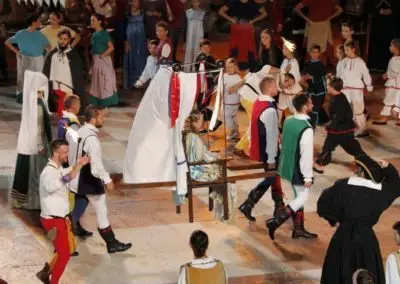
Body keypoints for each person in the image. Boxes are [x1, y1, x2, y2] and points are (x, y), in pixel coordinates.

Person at [317, 155, 400, 284]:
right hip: (366, 240)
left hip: (343, 237)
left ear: (361, 171)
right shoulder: (380, 192)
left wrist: (335, 220)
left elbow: (322, 205)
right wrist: (388, 167)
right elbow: (396, 186)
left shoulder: (342, 185)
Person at [69, 106, 132, 253]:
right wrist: (107, 179)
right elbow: (96, 166)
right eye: (101, 117)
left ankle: (65, 239)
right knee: (101, 210)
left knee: (78, 207)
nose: (103, 120)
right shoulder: (92, 140)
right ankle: (111, 243)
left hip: (76, 178)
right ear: (93, 118)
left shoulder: (80, 132)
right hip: (87, 181)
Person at [35, 139, 90, 284]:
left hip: (60, 219)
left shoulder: (58, 168)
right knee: (65, 253)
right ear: (56, 152)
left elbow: (67, 172)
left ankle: (45, 273)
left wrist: (79, 165)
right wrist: (69, 176)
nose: (67, 154)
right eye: (65, 152)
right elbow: (51, 186)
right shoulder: (48, 172)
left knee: (63, 249)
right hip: (53, 220)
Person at [266, 94, 318, 240]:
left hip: (286, 164)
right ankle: (275, 222)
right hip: (297, 169)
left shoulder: (288, 120)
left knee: (298, 196)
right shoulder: (307, 128)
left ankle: (298, 229)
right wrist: (308, 176)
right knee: (302, 197)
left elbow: (282, 141)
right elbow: (306, 155)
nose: (312, 105)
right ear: (304, 106)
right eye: (310, 103)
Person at [238, 76, 285, 224]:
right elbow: (271, 136)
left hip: (260, 147)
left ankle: (279, 206)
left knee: (275, 176)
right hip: (268, 150)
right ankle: (248, 203)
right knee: (272, 176)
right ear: (270, 88)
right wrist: (271, 158)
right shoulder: (270, 110)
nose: (278, 88)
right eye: (275, 85)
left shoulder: (259, 102)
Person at [179, 111, 237, 221]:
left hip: (194, 167)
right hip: (197, 170)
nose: (203, 123)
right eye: (201, 120)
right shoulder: (193, 137)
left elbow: (200, 154)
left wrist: (213, 155)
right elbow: (198, 157)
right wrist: (215, 157)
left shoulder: (189, 135)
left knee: (221, 169)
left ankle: (221, 207)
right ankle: (226, 212)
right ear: (194, 122)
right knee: (229, 177)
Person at [11, 71, 52, 210]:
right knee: (35, 172)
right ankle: (34, 201)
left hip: (26, 143)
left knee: (23, 170)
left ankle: (20, 199)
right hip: (36, 144)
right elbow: (41, 127)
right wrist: (47, 144)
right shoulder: (38, 105)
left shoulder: (29, 101)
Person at [56, 95, 93, 239]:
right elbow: (73, 147)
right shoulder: (73, 124)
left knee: (76, 197)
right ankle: (70, 229)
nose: (79, 107)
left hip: (64, 162)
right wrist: (76, 167)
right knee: (82, 197)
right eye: (78, 104)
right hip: (71, 165)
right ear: (73, 106)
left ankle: (76, 226)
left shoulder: (63, 119)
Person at [314, 77, 366, 174]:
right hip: (344, 129)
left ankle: (320, 165)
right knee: (353, 148)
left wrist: (330, 127)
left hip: (340, 129)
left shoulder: (338, 100)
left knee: (329, 147)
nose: (327, 87)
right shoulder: (341, 96)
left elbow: (339, 116)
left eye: (328, 85)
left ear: (333, 87)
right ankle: (365, 164)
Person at [5, 12, 51, 103]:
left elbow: (48, 46)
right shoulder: (21, 33)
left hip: (37, 59)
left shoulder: (39, 34)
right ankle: (21, 97)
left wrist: (43, 54)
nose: (40, 23)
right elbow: (7, 42)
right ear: (33, 22)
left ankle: (37, 98)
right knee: (23, 78)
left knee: (38, 78)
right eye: (38, 21)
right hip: (24, 58)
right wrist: (17, 52)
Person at [43, 28, 87, 116]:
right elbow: (46, 71)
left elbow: (79, 73)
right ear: (58, 39)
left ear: (69, 40)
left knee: (69, 110)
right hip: (56, 87)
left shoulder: (74, 54)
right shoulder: (52, 54)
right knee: (60, 111)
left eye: (65, 39)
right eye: (61, 39)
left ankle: (66, 127)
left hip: (69, 87)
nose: (63, 41)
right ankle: (63, 128)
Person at [219, 0, 267, 70]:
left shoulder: (253, 3)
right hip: (236, 29)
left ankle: (250, 69)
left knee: (249, 48)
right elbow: (221, 11)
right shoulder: (233, 2)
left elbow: (265, 14)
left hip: (247, 29)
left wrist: (253, 21)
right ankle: (233, 68)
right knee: (235, 47)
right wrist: (231, 19)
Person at [342, 40, 372, 138]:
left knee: (358, 109)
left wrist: (368, 85)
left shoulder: (360, 62)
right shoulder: (344, 61)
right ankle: (349, 127)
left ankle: (361, 130)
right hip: (346, 88)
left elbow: (366, 74)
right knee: (346, 108)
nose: (345, 52)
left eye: (347, 50)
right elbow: (341, 74)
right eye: (345, 50)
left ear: (353, 49)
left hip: (356, 89)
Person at [89, 13, 119, 107]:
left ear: (99, 22)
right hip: (96, 60)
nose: (91, 22)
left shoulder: (104, 34)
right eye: (91, 20)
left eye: (93, 20)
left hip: (103, 60)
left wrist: (102, 55)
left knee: (104, 80)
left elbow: (111, 47)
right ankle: (98, 101)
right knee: (96, 81)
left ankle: (105, 102)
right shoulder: (94, 34)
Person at [373, 38, 400, 125]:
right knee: (397, 102)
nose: (390, 47)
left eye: (391, 45)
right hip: (397, 83)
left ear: (396, 47)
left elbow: (395, 71)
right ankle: (399, 119)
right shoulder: (396, 58)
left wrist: (386, 75)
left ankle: (384, 118)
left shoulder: (396, 59)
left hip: (394, 84)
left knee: (388, 101)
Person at [367, 0, 399, 72]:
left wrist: (392, 10)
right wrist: (378, 11)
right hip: (378, 20)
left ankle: (390, 66)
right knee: (377, 41)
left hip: (393, 21)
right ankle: (376, 65)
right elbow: (369, 4)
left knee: (391, 42)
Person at [123, 0, 148, 90]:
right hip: (130, 41)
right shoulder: (126, 15)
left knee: (141, 59)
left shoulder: (143, 14)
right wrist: (126, 42)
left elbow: (147, 26)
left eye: (136, 1)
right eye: (132, 1)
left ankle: (141, 82)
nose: (134, 3)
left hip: (141, 40)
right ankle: (132, 82)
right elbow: (123, 28)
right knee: (131, 59)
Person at [301, 44, 329, 125]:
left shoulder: (321, 65)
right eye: (313, 52)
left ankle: (315, 123)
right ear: (310, 53)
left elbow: (321, 76)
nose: (315, 54)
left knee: (317, 106)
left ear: (319, 53)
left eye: (317, 52)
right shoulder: (307, 63)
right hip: (310, 88)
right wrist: (304, 77)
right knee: (313, 105)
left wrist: (312, 77)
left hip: (319, 89)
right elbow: (304, 74)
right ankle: (325, 120)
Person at [183, 0, 205, 71]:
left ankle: (195, 68)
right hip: (190, 34)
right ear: (191, 2)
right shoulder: (188, 12)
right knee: (189, 49)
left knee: (197, 49)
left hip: (199, 34)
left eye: (197, 2)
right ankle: (187, 68)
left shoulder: (203, 12)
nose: (195, 3)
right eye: (194, 2)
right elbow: (185, 25)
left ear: (199, 2)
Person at [223, 58, 241, 141]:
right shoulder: (224, 76)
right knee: (231, 117)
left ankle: (233, 130)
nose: (229, 69)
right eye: (227, 67)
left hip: (233, 101)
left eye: (231, 67)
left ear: (235, 67)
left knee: (227, 116)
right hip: (226, 101)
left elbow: (237, 89)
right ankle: (235, 131)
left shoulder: (237, 77)